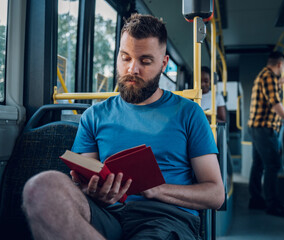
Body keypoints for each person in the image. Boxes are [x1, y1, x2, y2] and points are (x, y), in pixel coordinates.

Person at [22, 14, 224, 240]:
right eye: (125, 58)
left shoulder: (188, 113)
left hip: (165, 217)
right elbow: (84, 180)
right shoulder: (94, 116)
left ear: (164, 64)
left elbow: (216, 194)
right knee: (41, 188)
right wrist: (96, 191)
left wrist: (157, 189)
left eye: (145, 61)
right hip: (107, 213)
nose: (132, 69)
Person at [248, 51, 284, 217]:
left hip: (258, 127)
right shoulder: (269, 76)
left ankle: (256, 199)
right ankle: (273, 204)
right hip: (264, 129)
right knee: (273, 165)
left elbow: (272, 100)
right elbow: (275, 104)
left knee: (258, 164)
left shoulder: (265, 76)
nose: (283, 69)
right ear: (280, 64)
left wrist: (283, 91)